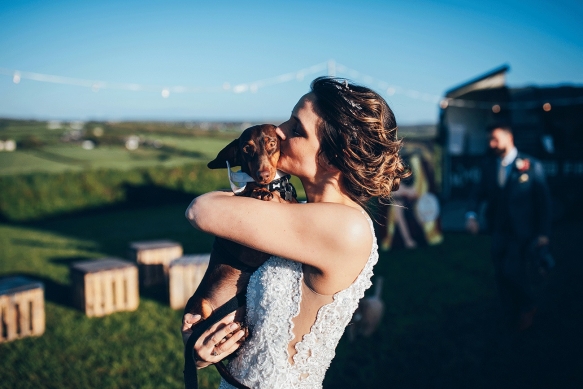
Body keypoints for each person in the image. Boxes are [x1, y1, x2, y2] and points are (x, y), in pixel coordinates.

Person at [181, 77, 410, 388]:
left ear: (333, 156)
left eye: (296, 129)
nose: (278, 131)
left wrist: (251, 186)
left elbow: (201, 210)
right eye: (287, 120)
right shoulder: (296, 212)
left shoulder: (347, 227)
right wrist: (208, 350)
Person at [466, 123, 552, 331]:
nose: (491, 144)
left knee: (513, 270)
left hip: (522, 231)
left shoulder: (531, 165)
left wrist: (543, 233)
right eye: (489, 140)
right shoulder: (488, 165)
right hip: (497, 229)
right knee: (499, 272)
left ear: (509, 137)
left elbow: (543, 202)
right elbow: (478, 193)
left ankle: (528, 305)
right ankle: (510, 312)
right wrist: (472, 215)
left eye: (495, 139)